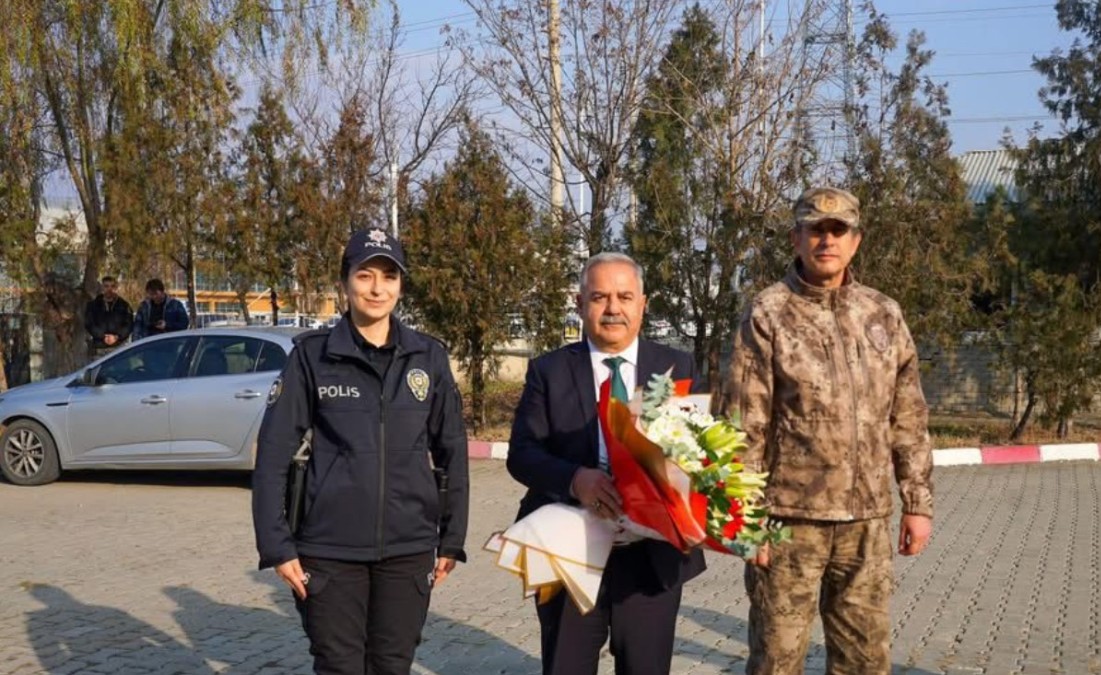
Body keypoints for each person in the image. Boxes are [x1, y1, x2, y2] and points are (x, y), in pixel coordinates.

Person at [721, 187, 934, 675]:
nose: (827, 240)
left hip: (866, 523)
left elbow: (909, 415)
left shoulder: (883, 313)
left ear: (855, 241)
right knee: (776, 660)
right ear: (797, 238)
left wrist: (917, 503)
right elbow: (743, 422)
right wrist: (746, 521)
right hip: (789, 522)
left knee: (865, 662)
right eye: (815, 229)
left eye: (838, 231)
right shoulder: (767, 313)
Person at [251, 227, 469, 675]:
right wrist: (277, 546)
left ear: (401, 285)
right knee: (339, 667)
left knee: (393, 666)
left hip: (408, 551)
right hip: (328, 551)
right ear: (344, 282)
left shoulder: (428, 358)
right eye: (365, 275)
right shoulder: (313, 357)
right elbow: (273, 455)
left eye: (389, 276)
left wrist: (452, 538)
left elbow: (452, 452)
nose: (377, 288)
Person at [507, 252, 706, 675]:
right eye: (599, 297)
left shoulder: (676, 367)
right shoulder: (549, 370)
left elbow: (698, 451)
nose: (613, 308)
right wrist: (575, 480)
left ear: (643, 303)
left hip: (650, 554)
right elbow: (522, 454)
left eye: (624, 296)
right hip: (570, 550)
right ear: (580, 304)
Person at [83, 276, 133, 359]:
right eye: (106, 286)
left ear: (115, 288)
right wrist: (103, 336)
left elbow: (129, 324)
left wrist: (117, 336)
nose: (109, 289)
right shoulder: (93, 305)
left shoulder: (124, 305)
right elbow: (89, 324)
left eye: (112, 286)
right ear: (102, 288)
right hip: (99, 348)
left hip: (119, 348)